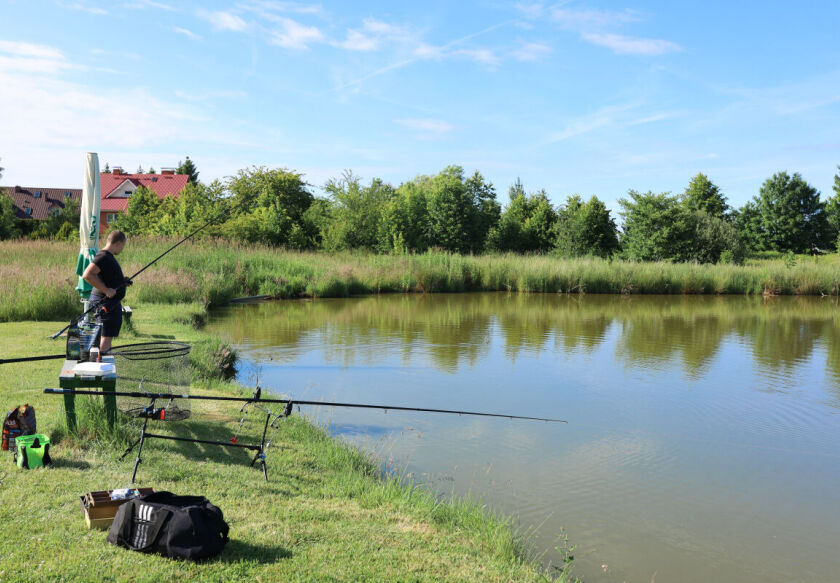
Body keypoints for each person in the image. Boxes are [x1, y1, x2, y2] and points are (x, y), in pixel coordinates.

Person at [83, 230, 132, 354]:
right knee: (106, 336)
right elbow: (87, 275)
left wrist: (121, 282)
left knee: (104, 336)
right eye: (123, 246)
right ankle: (103, 366)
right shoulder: (103, 256)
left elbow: (105, 277)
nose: (122, 249)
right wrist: (106, 290)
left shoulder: (107, 257)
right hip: (106, 304)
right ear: (118, 243)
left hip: (107, 303)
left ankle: (100, 362)